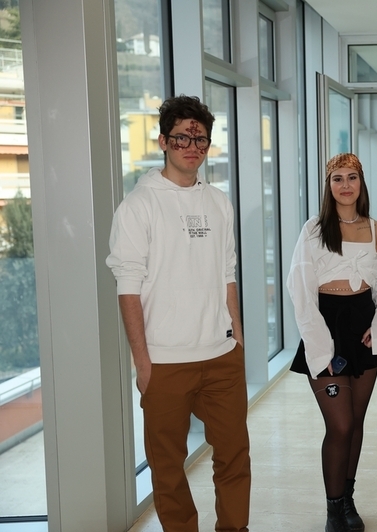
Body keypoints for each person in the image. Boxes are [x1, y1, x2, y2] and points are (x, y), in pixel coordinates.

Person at [107, 95, 250, 532]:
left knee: (234, 456)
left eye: (200, 139)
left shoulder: (219, 203)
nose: (192, 146)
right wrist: (143, 362)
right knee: (167, 466)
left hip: (221, 356)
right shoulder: (139, 206)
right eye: (182, 138)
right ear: (163, 141)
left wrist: (238, 338)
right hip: (165, 361)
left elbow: (227, 274)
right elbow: (128, 287)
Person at [287, 153, 377, 532]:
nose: (346, 185)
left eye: (352, 177)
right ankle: (333, 509)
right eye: (338, 178)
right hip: (326, 326)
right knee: (340, 424)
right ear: (329, 185)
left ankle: (348, 499)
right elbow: (300, 289)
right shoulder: (314, 229)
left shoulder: (375, 229)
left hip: (363, 327)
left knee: (356, 422)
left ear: (361, 183)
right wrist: (321, 345)